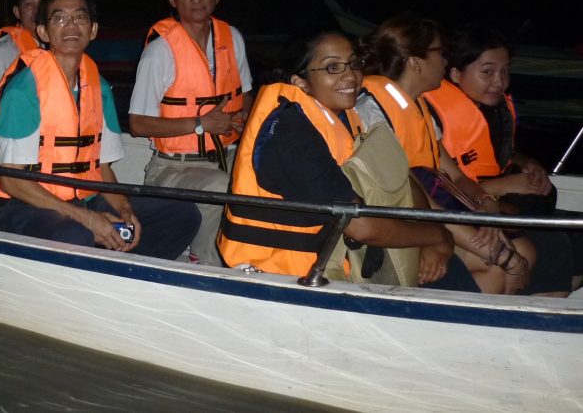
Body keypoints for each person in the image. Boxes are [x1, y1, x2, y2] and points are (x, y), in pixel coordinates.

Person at [217, 29, 478, 290]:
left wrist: (426, 235)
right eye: (332, 67)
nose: (350, 75)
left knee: (454, 274)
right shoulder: (290, 136)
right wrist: (436, 236)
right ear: (301, 82)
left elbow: (402, 179)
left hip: (339, 258)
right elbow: (359, 226)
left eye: (354, 64)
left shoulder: (344, 118)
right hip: (285, 277)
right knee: (449, 283)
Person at [0, 0, 200, 259]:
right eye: (60, 19)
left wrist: (125, 209)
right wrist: (88, 219)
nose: (71, 26)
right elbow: (12, 181)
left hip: (87, 198)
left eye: (80, 18)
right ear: (43, 32)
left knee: (182, 215)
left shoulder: (98, 87)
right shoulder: (24, 90)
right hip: (29, 205)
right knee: (76, 235)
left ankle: (128, 273)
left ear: (93, 30)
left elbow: (101, 167)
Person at [356, 15, 533, 294]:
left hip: (431, 215)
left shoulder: (422, 112)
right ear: (416, 61)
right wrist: (477, 239)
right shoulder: (372, 113)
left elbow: (454, 175)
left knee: (518, 253)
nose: (446, 61)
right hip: (403, 220)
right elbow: (408, 190)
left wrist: (485, 207)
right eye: (441, 53)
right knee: (505, 262)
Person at [423, 23, 580, 296]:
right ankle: (541, 315)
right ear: (455, 73)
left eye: (504, 71)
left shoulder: (490, 110)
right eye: (488, 72)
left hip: (495, 200)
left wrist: (525, 161)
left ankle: (550, 309)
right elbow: (437, 184)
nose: (499, 81)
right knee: (550, 242)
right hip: (466, 208)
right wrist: (507, 185)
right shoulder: (432, 117)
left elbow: (497, 154)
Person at [128, 0, 253, 265]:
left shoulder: (232, 38)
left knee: (271, 177)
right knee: (223, 188)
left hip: (229, 154)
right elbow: (138, 124)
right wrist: (201, 124)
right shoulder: (160, 52)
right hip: (173, 167)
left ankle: (268, 262)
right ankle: (207, 261)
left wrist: (242, 117)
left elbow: (246, 94)